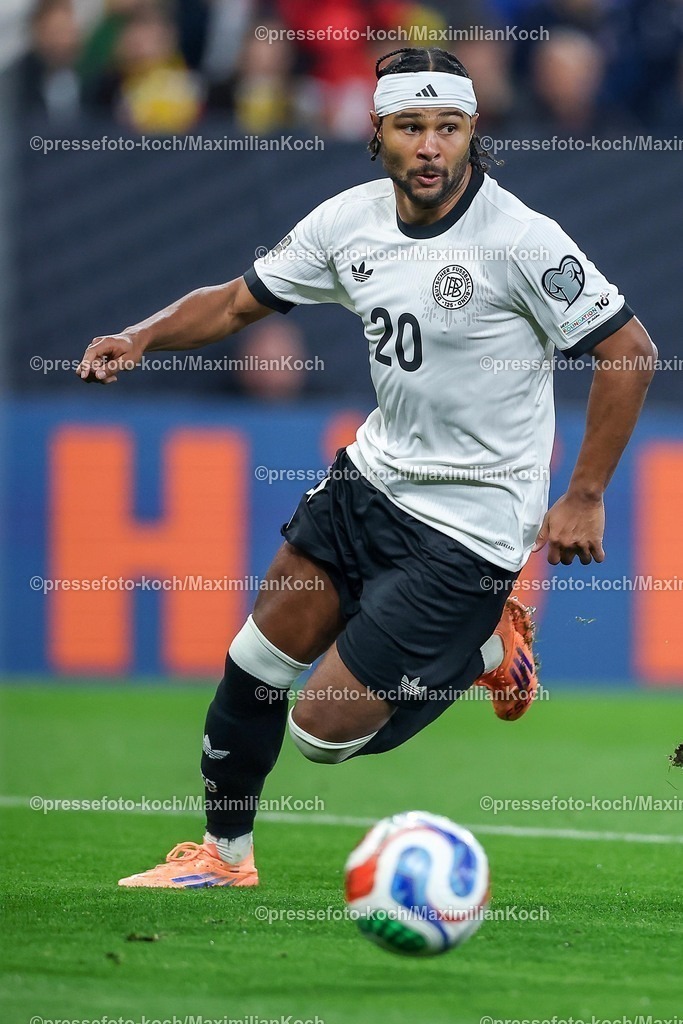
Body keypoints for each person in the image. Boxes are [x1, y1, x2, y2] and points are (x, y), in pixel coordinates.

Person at [76, 46, 656, 889]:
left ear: (471, 133)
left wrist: (586, 494)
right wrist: (141, 335)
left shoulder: (522, 241)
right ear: (376, 130)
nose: (429, 146)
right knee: (256, 662)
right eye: (411, 126)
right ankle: (223, 857)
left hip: (467, 530)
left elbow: (629, 354)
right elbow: (240, 300)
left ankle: (492, 646)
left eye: (447, 127)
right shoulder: (347, 221)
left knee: (321, 733)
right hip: (370, 481)